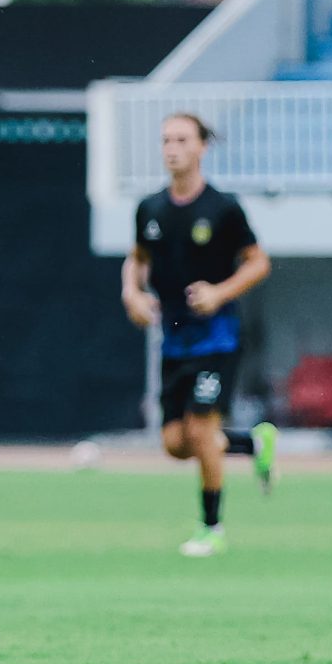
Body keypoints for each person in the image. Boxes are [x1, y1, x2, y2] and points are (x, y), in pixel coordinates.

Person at [122, 112, 279, 558]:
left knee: (202, 427)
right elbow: (136, 259)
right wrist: (131, 294)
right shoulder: (149, 208)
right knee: (176, 444)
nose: (172, 147)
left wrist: (219, 292)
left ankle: (211, 528)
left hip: (217, 337)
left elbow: (258, 262)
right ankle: (252, 442)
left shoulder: (222, 208)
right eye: (166, 140)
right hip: (173, 340)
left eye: (182, 139)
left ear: (201, 147)